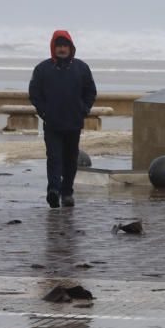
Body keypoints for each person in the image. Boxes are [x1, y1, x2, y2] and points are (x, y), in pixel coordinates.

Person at [28, 30, 97, 208]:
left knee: (70, 159)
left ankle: (67, 192)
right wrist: (44, 112)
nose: (62, 49)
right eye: (58, 46)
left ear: (71, 48)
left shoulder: (81, 68)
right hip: (52, 124)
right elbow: (34, 93)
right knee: (54, 157)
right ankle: (53, 191)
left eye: (65, 46)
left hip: (74, 123)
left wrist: (84, 109)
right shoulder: (42, 69)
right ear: (53, 47)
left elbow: (90, 91)